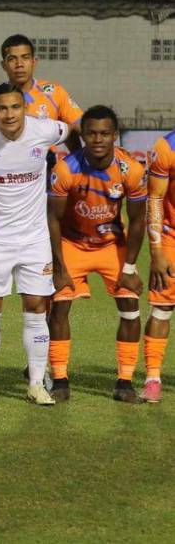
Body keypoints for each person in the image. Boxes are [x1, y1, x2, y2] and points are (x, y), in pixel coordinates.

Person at [0, 83, 69, 405]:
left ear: (26, 109)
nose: (9, 115)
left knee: (36, 307)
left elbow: (75, 131)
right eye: (3, 109)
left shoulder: (46, 129)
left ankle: (36, 383)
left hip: (35, 237)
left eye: (15, 108)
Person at [48, 105, 147, 403]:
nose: (98, 139)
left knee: (130, 306)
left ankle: (125, 383)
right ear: (85, 135)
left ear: (115, 135)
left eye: (105, 133)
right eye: (91, 133)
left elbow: (139, 221)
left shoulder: (132, 169)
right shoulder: (66, 169)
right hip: (72, 243)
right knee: (60, 306)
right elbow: (52, 218)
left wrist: (129, 269)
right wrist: (58, 265)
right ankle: (60, 378)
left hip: (110, 245)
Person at [0, 34, 83, 155]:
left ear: (34, 62)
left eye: (25, 57)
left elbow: (81, 127)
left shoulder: (53, 92)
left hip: (45, 168)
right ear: (3, 65)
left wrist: (78, 162)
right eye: (12, 59)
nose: (19, 64)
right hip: (3, 168)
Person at [143, 129, 175, 403]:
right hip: (171, 238)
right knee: (162, 307)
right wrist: (156, 251)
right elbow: (154, 199)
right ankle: (153, 377)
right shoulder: (167, 147)